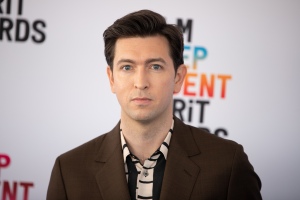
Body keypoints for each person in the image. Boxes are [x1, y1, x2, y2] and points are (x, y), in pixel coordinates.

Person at [47, 9, 262, 200]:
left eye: (156, 67)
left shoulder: (228, 164)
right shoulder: (69, 170)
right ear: (111, 79)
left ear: (178, 77)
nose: (141, 83)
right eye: (127, 67)